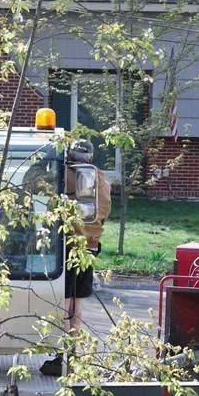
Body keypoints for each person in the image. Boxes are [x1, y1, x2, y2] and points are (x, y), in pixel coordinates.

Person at [64, 139, 112, 330]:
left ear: (70, 155)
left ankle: (60, 354)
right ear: (90, 157)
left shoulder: (61, 174)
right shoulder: (101, 180)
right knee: (78, 305)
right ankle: (74, 352)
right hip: (90, 248)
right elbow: (104, 213)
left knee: (63, 304)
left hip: (66, 248)